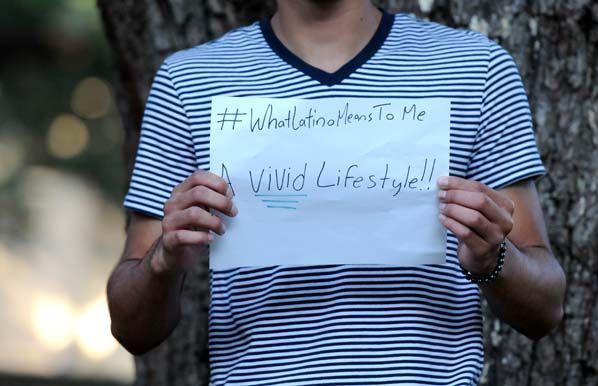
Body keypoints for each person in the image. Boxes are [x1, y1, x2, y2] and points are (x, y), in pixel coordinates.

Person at [107, 0, 566, 384]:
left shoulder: (477, 69)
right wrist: (163, 260)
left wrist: (493, 260)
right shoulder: (188, 82)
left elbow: (545, 306)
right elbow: (131, 328)